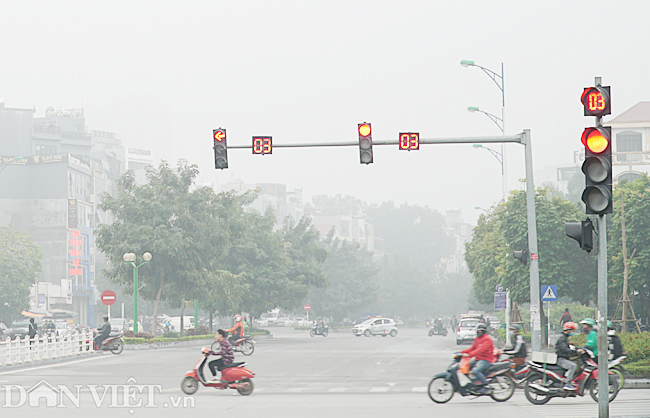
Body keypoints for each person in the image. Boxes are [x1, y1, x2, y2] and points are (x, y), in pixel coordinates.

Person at [460, 323, 495, 394]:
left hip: (486, 360)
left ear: (484, 331)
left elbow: (480, 350)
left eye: (480, 331)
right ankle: (474, 383)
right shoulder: (477, 339)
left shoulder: (487, 339)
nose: (479, 332)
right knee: (465, 367)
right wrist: (461, 352)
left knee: (476, 371)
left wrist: (469, 355)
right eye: (478, 331)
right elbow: (472, 348)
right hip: (478, 359)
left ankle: (486, 385)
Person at [555, 321, 579, 390]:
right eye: (572, 330)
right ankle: (568, 383)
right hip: (561, 359)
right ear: (568, 330)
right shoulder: (562, 338)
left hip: (565, 358)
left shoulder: (566, 338)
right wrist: (574, 352)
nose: (573, 332)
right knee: (573, 366)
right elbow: (565, 349)